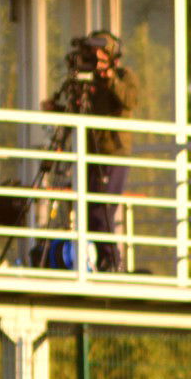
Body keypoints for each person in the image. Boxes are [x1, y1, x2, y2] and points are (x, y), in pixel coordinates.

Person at [45, 31, 138, 273]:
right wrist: (57, 109)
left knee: (100, 212)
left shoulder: (123, 76)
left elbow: (130, 100)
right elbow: (79, 114)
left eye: (101, 56)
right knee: (86, 211)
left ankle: (112, 263)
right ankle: (96, 261)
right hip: (89, 154)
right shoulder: (88, 82)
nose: (96, 62)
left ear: (111, 57)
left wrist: (110, 77)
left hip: (113, 154)